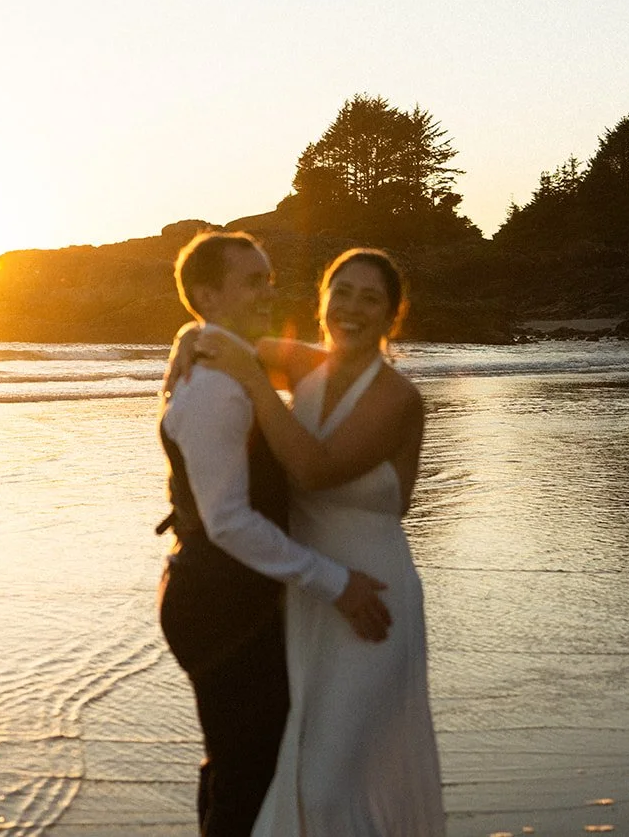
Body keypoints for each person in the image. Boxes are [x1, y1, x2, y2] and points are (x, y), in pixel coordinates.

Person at [192, 248, 446, 837]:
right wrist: (189, 340)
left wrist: (253, 379)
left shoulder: (398, 398)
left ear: (392, 316)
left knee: (328, 784)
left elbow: (312, 468)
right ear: (323, 301)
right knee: (301, 766)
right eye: (342, 292)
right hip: (309, 590)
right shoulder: (306, 367)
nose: (351, 308)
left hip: (372, 598)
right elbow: (221, 336)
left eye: (370, 297)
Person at [157, 232, 395, 837]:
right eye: (251, 281)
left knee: (243, 763)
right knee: (249, 773)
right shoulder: (212, 384)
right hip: (217, 598)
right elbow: (229, 522)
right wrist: (336, 581)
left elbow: (330, 366)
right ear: (208, 294)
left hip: (235, 593)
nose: (268, 290)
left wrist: (198, 331)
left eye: (268, 278)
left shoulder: (227, 358)